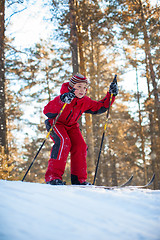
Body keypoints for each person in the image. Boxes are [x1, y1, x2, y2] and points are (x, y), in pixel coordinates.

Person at [43, 73, 118, 185]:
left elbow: (100, 107)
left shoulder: (85, 101)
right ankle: (52, 177)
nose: (82, 90)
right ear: (71, 87)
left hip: (72, 126)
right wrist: (62, 99)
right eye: (78, 87)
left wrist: (111, 95)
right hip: (56, 123)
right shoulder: (63, 97)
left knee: (81, 146)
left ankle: (79, 180)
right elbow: (47, 111)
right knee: (64, 142)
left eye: (84, 87)